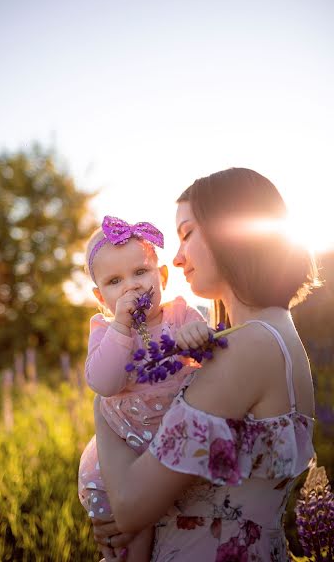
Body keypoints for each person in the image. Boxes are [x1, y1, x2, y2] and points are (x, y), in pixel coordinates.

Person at [91, 168, 317, 561]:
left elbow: (129, 506)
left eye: (186, 234)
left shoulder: (247, 347)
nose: (176, 260)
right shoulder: (273, 332)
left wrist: (103, 406)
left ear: (231, 231)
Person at [78, 215, 209, 561]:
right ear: (100, 296)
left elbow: (209, 358)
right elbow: (104, 384)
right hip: (126, 453)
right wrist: (122, 327)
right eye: (114, 281)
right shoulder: (105, 332)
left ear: (162, 276)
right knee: (133, 535)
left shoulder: (180, 315)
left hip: (175, 447)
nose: (131, 287)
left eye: (140, 272)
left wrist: (196, 340)